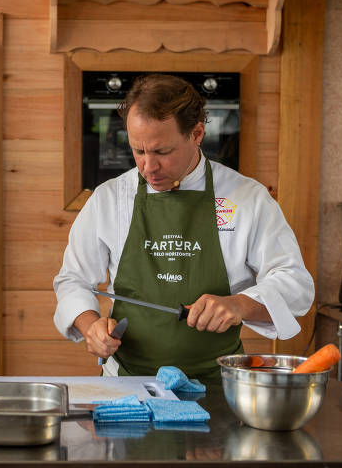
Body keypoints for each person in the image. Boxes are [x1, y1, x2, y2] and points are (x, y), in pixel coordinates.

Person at [53, 74, 314, 379]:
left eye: (162, 152)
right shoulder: (110, 198)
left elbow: (295, 284)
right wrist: (90, 326)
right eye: (138, 151)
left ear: (197, 133)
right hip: (127, 384)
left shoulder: (247, 198)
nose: (148, 167)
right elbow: (73, 280)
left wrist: (240, 304)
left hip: (218, 385)